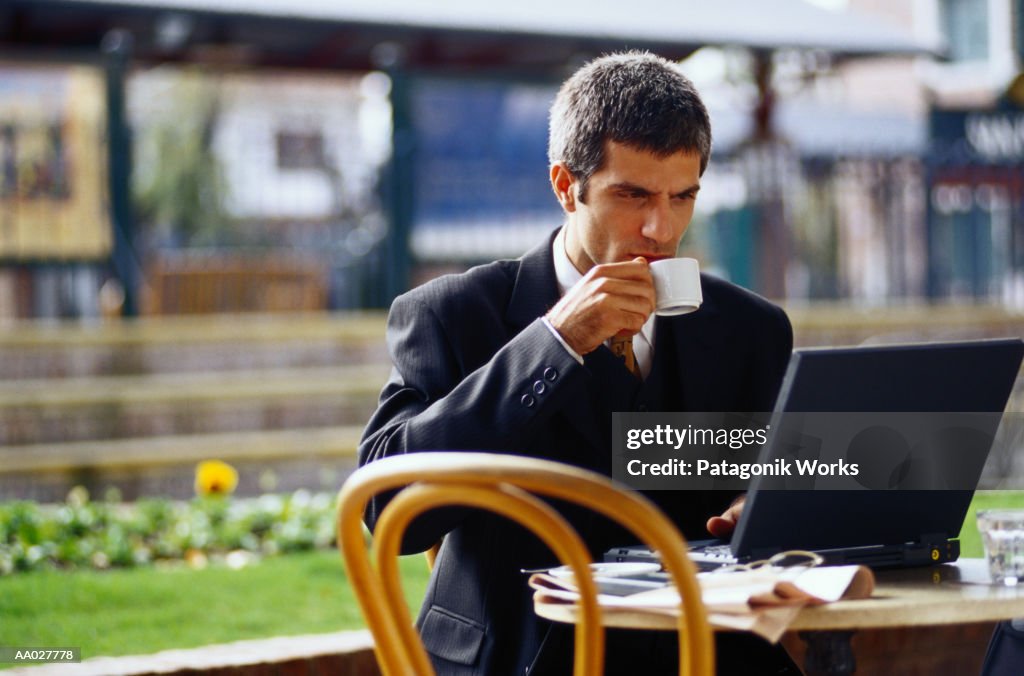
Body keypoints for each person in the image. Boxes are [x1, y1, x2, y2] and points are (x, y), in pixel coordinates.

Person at [359, 51, 797, 675]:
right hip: (524, 654)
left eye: (683, 196)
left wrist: (763, 504)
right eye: (632, 195)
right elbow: (388, 513)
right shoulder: (452, 315)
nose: (660, 228)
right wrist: (554, 342)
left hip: (702, 650)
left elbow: (762, 470)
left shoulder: (750, 330)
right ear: (566, 186)